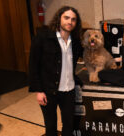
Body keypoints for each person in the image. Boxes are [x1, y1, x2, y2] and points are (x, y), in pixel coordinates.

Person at [28, 6, 83, 136]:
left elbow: (87, 54)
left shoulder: (75, 42)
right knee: (51, 126)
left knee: (69, 125)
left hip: (69, 90)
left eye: (73, 19)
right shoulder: (43, 37)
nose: (70, 22)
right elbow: (33, 65)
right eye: (66, 18)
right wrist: (39, 91)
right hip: (48, 91)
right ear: (59, 18)